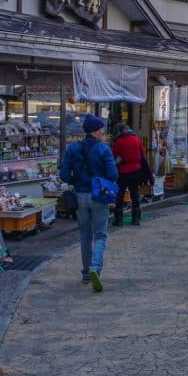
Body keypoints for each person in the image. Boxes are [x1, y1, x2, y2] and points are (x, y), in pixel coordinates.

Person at [59, 114, 118, 291]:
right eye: (101, 129)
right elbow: (114, 175)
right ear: (96, 131)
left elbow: (63, 174)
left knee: (85, 235)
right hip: (99, 194)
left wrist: (75, 181)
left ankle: (86, 272)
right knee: (100, 234)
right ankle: (95, 267)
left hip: (80, 194)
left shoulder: (72, 148)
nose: (103, 132)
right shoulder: (104, 149)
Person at [111, 123, 152, 227]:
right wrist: (149, 173)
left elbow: (113, 157)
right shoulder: (136, 139)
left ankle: (119, 220)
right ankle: (135, 219)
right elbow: (142, 156)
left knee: (120, 194)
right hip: (136, 170)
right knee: (135, 194)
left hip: (123, 171)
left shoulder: (118, 142)